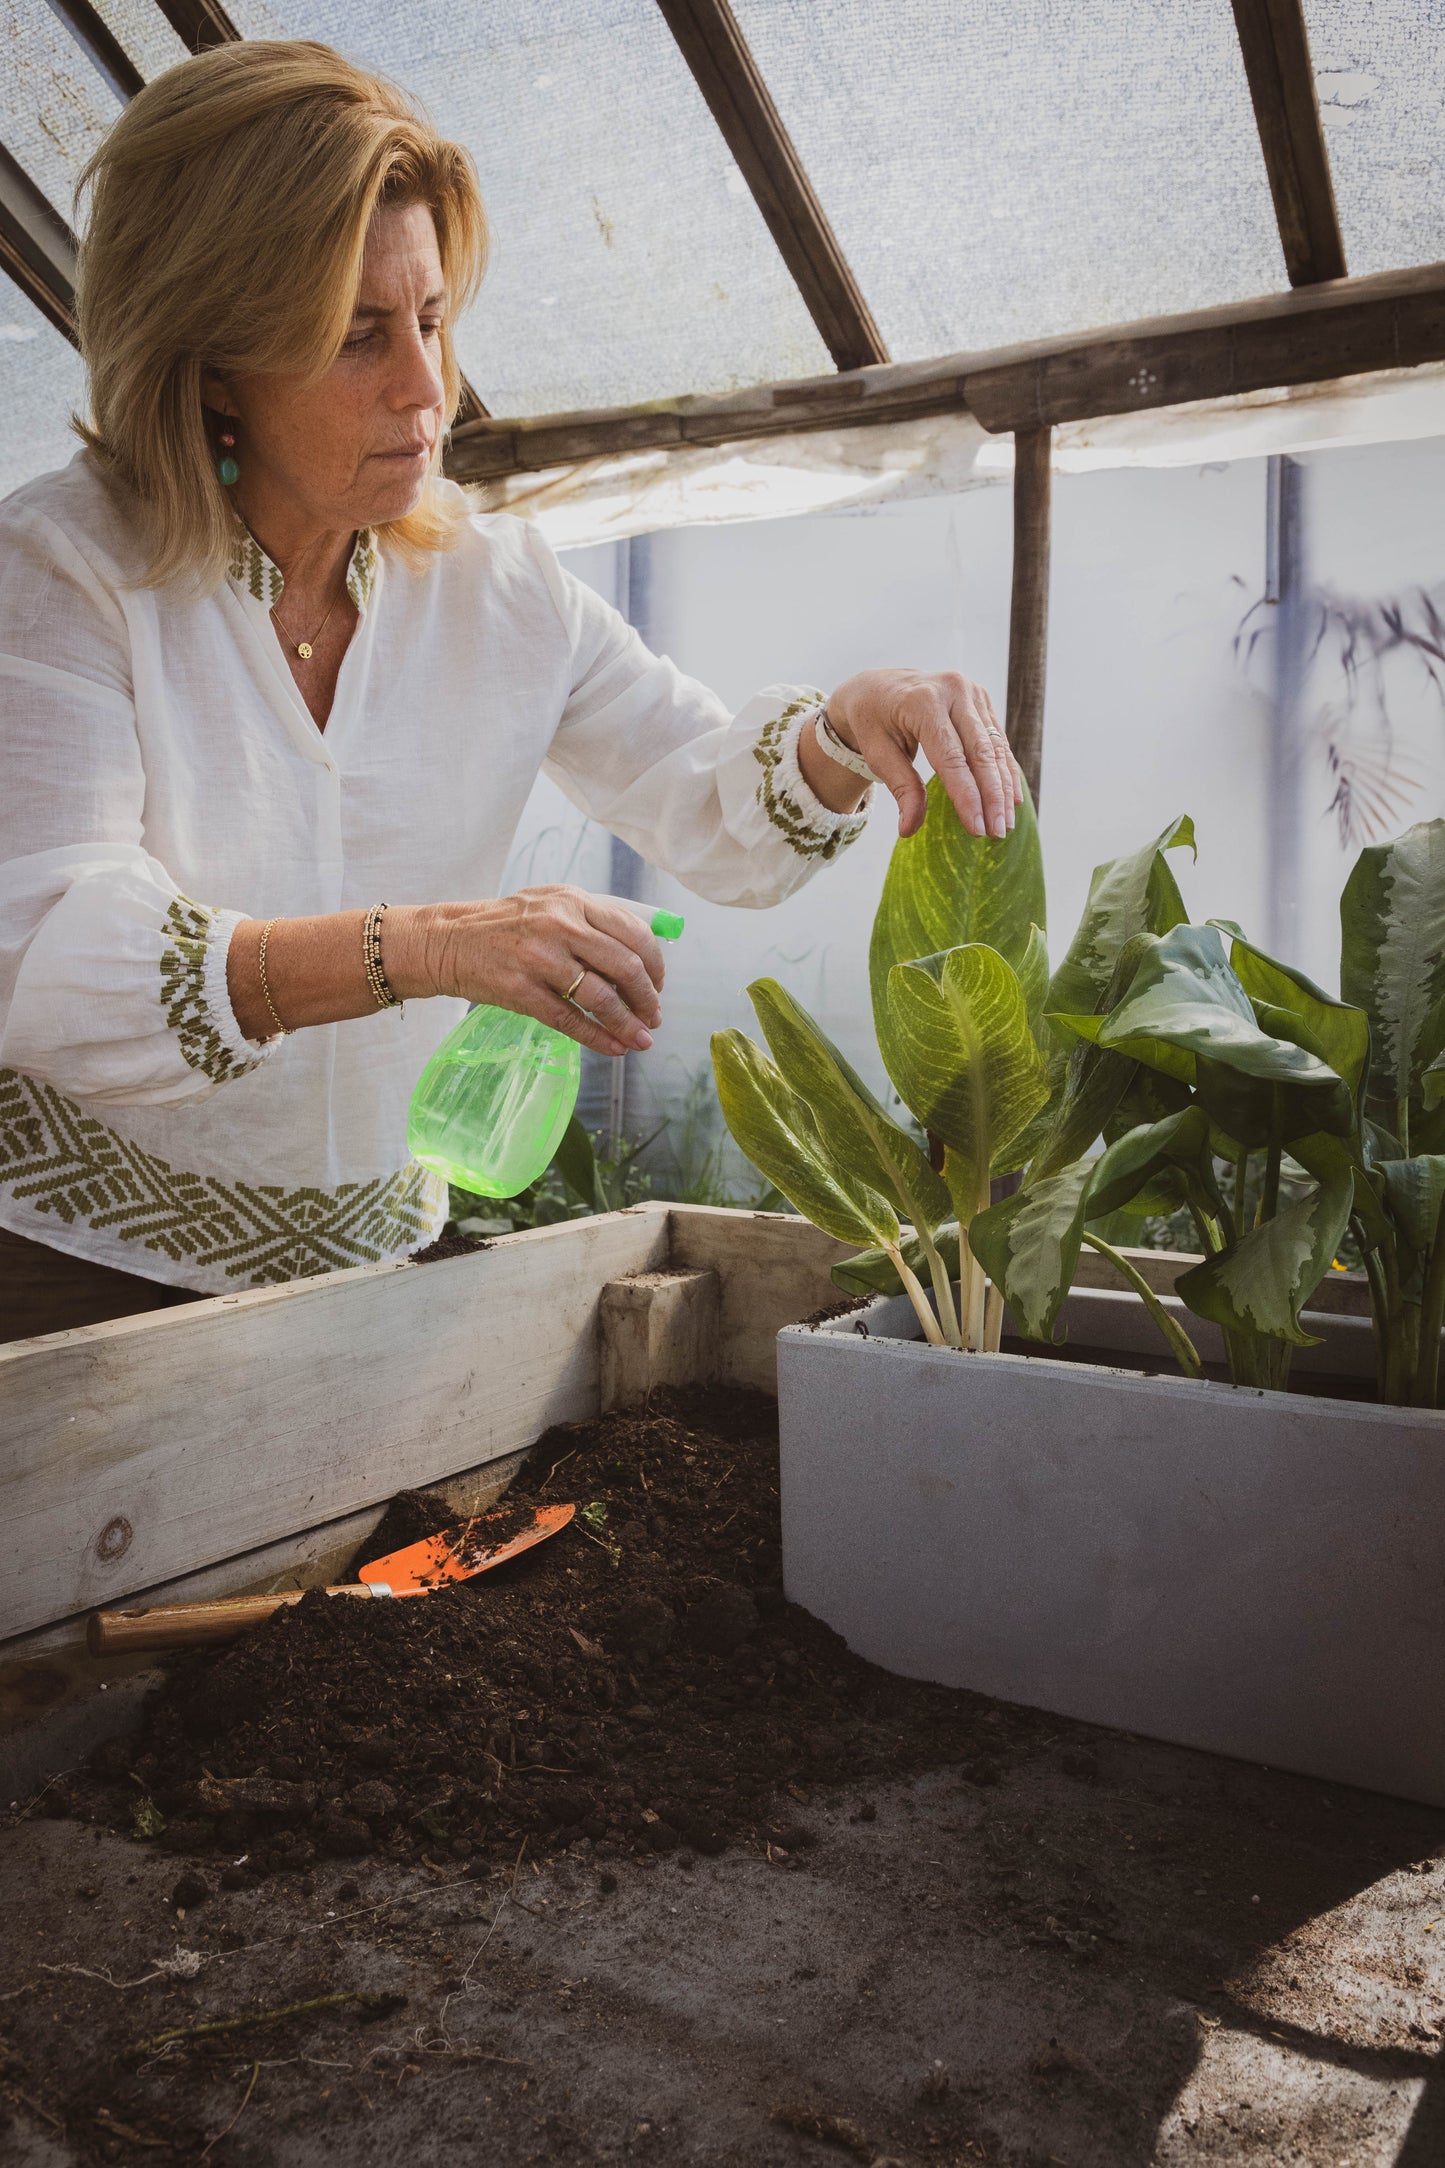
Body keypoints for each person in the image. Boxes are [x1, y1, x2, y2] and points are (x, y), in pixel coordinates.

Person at [0, 40, 1021, 1343]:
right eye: (356, 336)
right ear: (211, 365)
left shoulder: (495, 583)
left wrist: (838, 735)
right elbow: (48, 953)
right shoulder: (62, 569)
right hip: (69, 1281)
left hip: (371, 1281)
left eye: (430, 320)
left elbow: (699, 794)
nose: (427, 389)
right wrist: (415, 946)